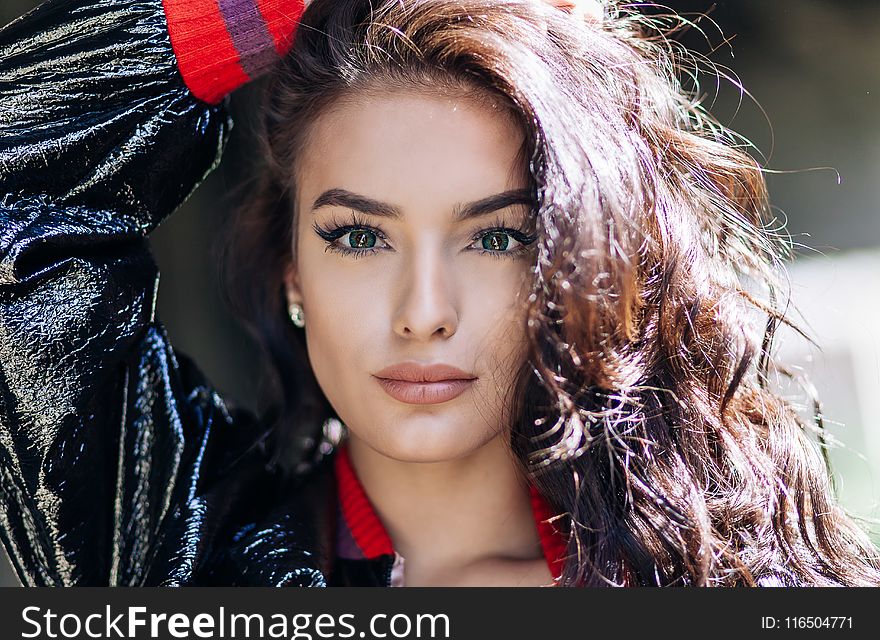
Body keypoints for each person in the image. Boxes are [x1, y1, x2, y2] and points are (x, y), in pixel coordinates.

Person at [0, 0, 878, 587]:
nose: (423, 310)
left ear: (576, 262)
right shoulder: (174, 551)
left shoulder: (744, 581)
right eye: (360, 236)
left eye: (496, 237)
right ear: (292, 270)